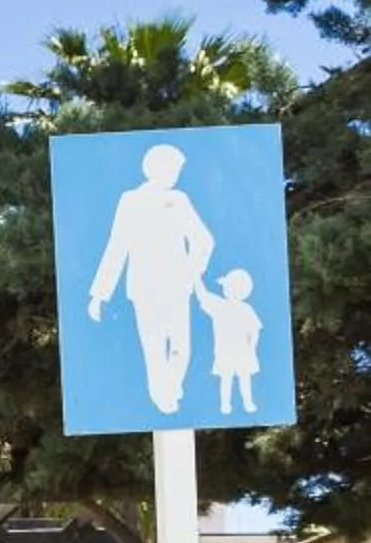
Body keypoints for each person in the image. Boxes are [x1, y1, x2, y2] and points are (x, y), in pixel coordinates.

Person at [85, 142, 215, 413]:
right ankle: (161, 395)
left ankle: (171, 387)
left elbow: (204, 240)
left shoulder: (179, 200)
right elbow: (117, 246)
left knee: (181, 346)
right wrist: (99, 294)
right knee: (154, 346)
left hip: (177, 287)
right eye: (174, 168)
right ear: (156, 168)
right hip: (144, 287)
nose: (176, 174)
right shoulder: (131, 200)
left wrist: (192, 271)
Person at [195, 266, 264, 416]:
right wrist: (196, 278)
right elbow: (203, 295)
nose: (225, 290)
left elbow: (255, 330)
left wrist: (252, 347)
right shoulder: (220, 305)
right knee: (227, 379)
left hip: (241, 352)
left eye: (227, 287)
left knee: (243, 379)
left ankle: (247, 403)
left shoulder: (245, 309)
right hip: (225, 352)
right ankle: (225, 405)